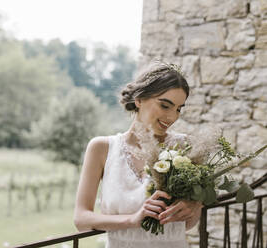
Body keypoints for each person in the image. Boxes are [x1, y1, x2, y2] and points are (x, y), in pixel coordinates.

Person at [73, 63, 203, 248]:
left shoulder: (185, 147)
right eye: (165, 105)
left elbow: (188, 224)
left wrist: (194, 207)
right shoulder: (102, 148)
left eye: (178, 109)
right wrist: (132, 220)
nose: (172, 117)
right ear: (139, 99)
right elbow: (81, 219)